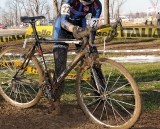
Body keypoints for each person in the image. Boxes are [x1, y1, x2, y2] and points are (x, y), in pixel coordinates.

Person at [51, 0, 102, 114]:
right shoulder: (69, 0)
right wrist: (74, 29)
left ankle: (101, 98)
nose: (85, 5)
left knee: (94, 60)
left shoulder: (97, 5)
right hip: (62, 29)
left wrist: (90, 44)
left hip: (80, 27)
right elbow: (64, 22)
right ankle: (56, 101)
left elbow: (92, 29)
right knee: (60, 66)